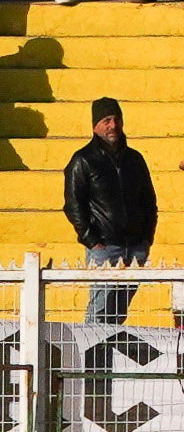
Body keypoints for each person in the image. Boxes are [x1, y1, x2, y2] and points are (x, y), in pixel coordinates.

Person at [60, 96, 154, 324]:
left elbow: (149, 201)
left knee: (119, 311)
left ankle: (109, 346)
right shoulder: (82, 160)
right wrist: (92, 241)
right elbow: (73, 205)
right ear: (95, 126)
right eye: (106, 120)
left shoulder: (135, 159)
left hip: (135, 246)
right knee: (100, 309)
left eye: (117, 119)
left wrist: (146, 239)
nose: (113, 125)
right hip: (104, 246)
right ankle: (91, 347)